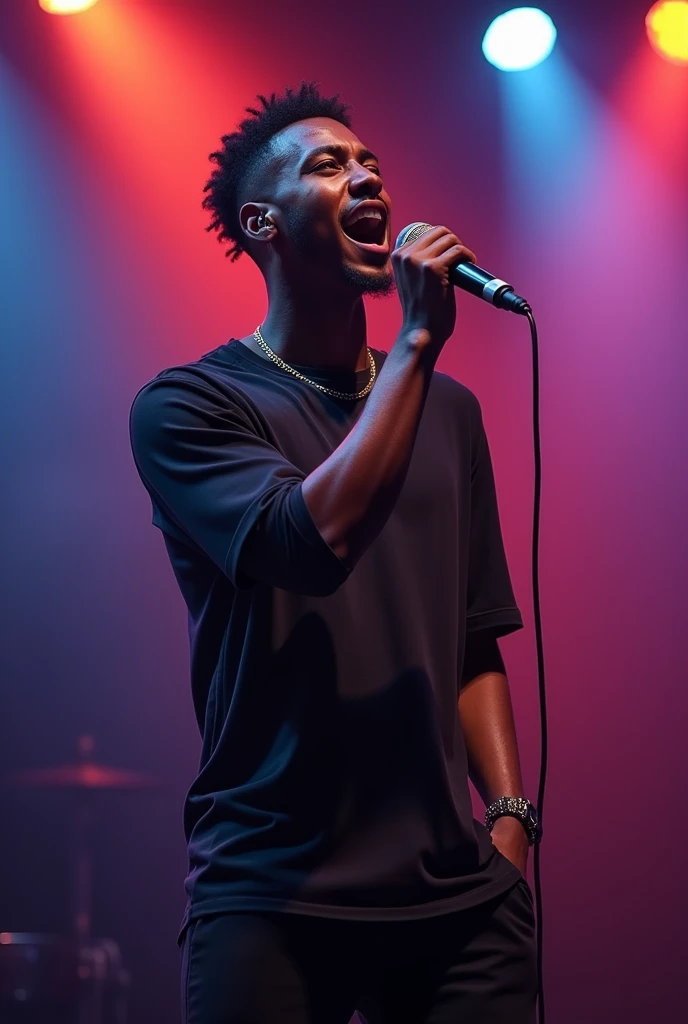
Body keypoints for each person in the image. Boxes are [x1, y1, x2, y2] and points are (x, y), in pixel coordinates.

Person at [129, 82, 541, 1024]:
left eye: (371, 166)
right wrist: (420, 339)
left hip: (460, 902)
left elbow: (476, 636)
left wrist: (511, 826)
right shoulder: (189, 406)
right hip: (274, 888)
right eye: (328, 165)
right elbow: (314, 544)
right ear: (262, 222)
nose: (365, 178)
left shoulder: (449, 409)